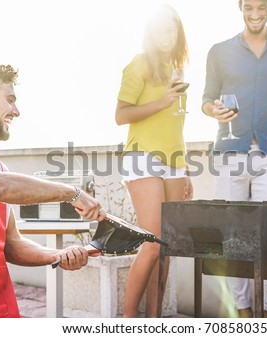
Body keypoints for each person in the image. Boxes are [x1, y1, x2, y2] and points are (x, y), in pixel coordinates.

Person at [0, 58, 106, 318]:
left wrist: (58, 254)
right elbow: (0, 188)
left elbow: (11, 244)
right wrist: (71, 192)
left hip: (0, 309)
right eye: (9, 99)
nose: (16, 110)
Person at [201, 0, 267, 318]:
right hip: (230, 151)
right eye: (249, 8)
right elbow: (206, 99)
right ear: (239, 7)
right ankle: (243, 311)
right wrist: (212, 109)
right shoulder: (219, 51)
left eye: (262, 8)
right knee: (232, 237)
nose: (255, 14)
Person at [115, 4, 193, 317]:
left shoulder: (177, 70)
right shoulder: (139, 63)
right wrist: (163, 101)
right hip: (142, 156)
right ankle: (129, 321)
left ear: (177, 34)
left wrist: (185, 170)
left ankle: (154, 319)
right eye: (159, 28)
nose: (165, 35)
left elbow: (176, 123)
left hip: (174, 161)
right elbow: (121, 115)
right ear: (150, 32)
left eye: (170, 29)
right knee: (152, 242)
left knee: (167, 246)